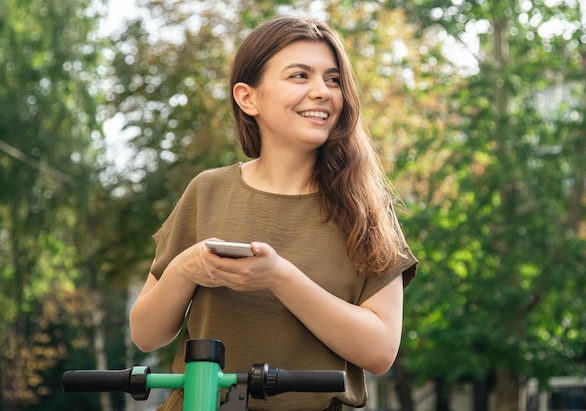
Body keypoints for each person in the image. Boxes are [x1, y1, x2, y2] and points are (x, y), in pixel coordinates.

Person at [129, 15, 418, 411]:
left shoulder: (367, 208)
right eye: (300, 75)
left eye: (333, 79)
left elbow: (380, 351)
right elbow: (146, 334)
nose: (322, 92)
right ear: (249, 98)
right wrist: (186, 269)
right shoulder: (207, 190)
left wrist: (280, 278)